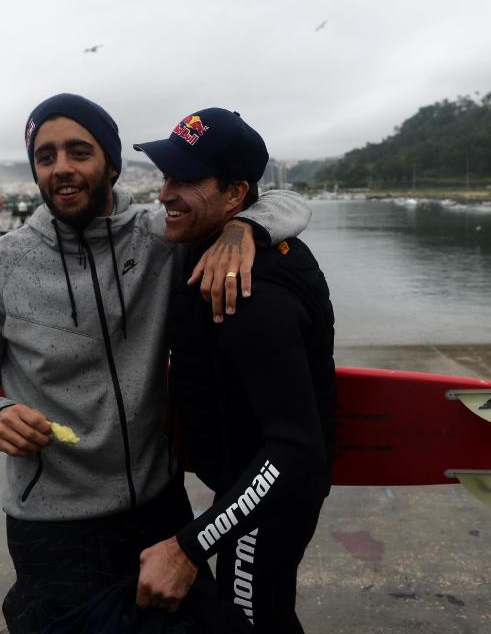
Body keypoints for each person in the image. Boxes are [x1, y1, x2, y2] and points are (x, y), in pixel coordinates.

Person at [0, 93, 311, 633]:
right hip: (49, 524)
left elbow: (287, 203)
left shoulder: (161, 238)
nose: (62, 168)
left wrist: (244, 229)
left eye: (79, 151)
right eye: (46, 157)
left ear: (111, 164)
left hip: (158, 509)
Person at [130, 108, 336, 633]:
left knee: (252, 622)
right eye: (166, 176)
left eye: (187, 179)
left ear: (234, 192)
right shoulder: (217, 247)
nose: (165, 193)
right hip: (249, 484)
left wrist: (189, 546)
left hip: (270, 492)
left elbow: (296, 447)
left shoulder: (248, 291)